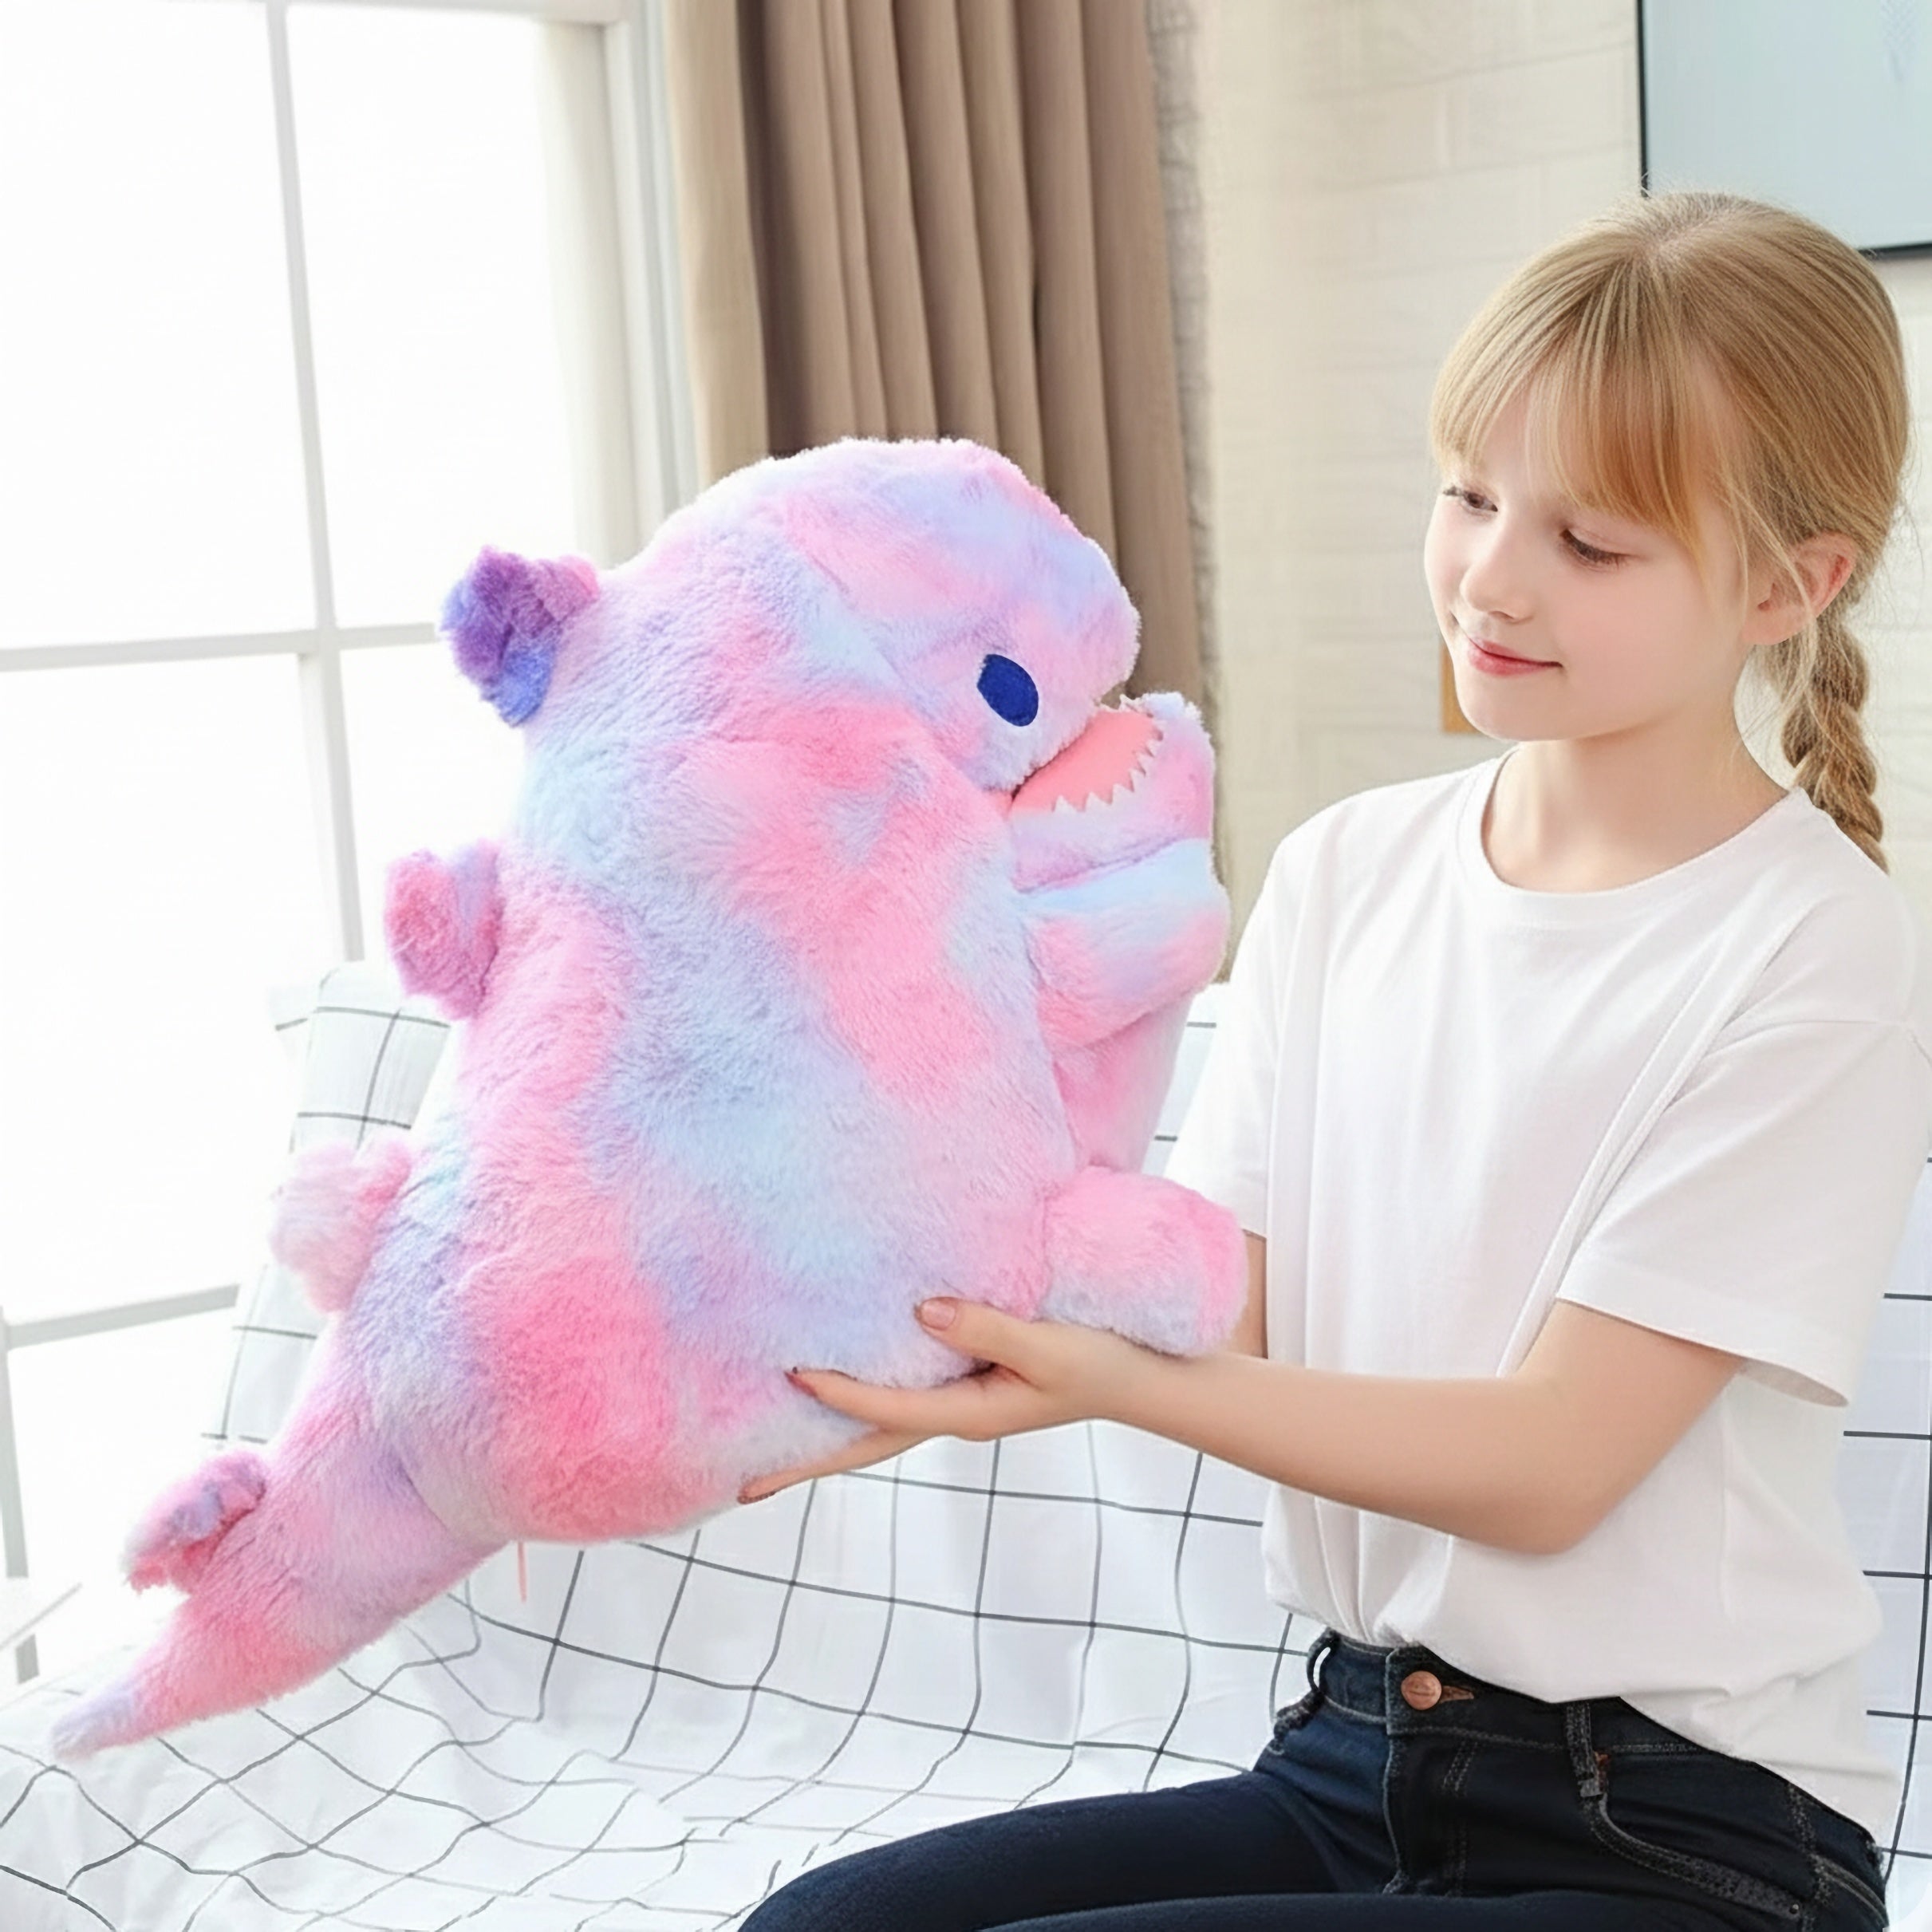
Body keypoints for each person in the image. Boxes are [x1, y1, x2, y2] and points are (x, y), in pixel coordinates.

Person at [735, 191, 1932, 1930]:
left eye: (1588, 541)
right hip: (1353, 1759)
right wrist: (896, 1311)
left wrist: (1097, 1376)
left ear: (1788, 581)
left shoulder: (1813, 945)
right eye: (1464, 492)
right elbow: (1211, 1310)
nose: (1490, 576)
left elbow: (1549, 1462)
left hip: (1679, 1834)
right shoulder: (1346, 867)